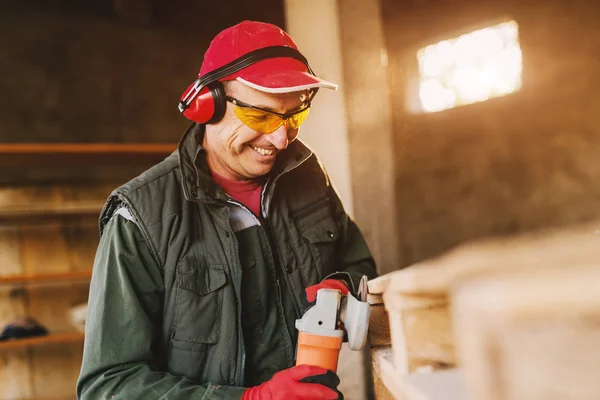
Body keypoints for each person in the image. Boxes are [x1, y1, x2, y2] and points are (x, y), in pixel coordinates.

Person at [76, 20, 377, 400]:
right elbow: (109, 385)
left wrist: (343, 287)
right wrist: (250, 399)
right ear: (207, 105)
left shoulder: (307, 178)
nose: (281, 138)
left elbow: (359, 264)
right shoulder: (141, 217)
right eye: (261, 115)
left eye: (293, 115)